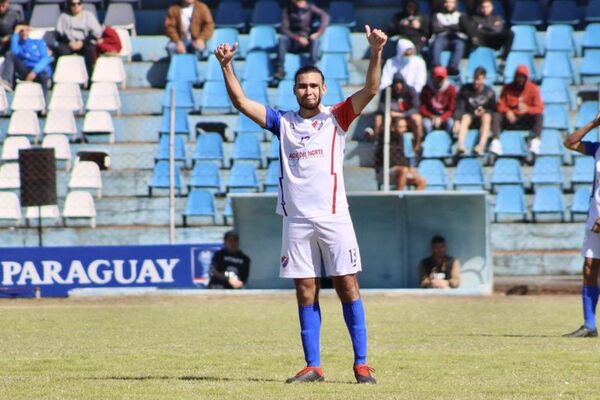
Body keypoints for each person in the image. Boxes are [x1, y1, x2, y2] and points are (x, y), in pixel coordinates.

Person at [214, 24, 388, 384]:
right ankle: (314, 366)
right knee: (305, 289)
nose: (308, 90)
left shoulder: (336, 117)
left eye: (313, 85)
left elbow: (371, 89)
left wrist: (375, 51)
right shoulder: (283, 122)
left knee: (347, 286)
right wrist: (226, 66)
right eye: (302, 86)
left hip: (334, 217)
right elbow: (241, 103)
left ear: (323, 89)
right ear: (295, 90)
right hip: (296, 220)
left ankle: (361, 364)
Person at [563, 112, 600, 337]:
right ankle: (589, 325)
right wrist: (593, 123)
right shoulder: (597, 149)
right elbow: (570, 142)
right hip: (595, 217)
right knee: (589, 267)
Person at [492, 64, 543, 153]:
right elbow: (499, 105)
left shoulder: (533, 89)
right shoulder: (507, 88)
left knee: (539, 116)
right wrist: (507, 111)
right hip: (510, 119)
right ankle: (495, 142)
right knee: (496, 115)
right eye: (518, 77)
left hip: (524, 119)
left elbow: (539, 108)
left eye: (523, 77)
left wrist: (527, 109)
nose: (520, 79)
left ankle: (535, 142)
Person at [274, 0, 329, 81]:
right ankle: (280, 69)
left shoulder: (311, 8)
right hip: (293, 40)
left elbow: (325, 16)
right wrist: (298, 38)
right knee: (282, 39)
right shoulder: (288, 10)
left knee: (316, 41)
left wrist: (318, 32)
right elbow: (284, 29)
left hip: (307, 40)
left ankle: (312, 68)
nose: (299, 4)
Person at [367, 72, 423, 151]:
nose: (398, 86)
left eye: (400, 83)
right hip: (391, 118)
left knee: (417, 118)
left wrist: (402, 114)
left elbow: (416, 108)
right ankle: (378, 145)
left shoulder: (411, 90)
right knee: (378, 119)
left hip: (407, 117)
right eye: (396, 83)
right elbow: (381, 107)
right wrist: (391, 112)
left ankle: (417, 146)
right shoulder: (387, 91)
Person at [0, 24, 52, 98]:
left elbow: (46, 58)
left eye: (26, 30)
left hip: (39, 70)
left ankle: (42, 103)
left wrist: (34, 71)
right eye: (21, 31)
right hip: (26, 69)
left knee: (43, 75)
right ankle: (7, 82)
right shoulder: (19, 45)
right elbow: (14, 53)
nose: (24, 32)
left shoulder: (38, 42)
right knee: (9, 54)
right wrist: (15, 34)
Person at [375, 116, 426, 191]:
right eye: (401, 127)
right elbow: (392, 160)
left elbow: (405, 157)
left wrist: (410, 169)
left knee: (421, 181)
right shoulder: (384, 138)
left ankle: (415, 202)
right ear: (393, 127)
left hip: (400, 170)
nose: (404, 129)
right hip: (386, 170)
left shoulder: (402, 139)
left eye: (405, 127)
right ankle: (399, 198)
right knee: (403, 170)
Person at [453, 66, 496, 155]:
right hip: (469, 115)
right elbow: (460, 107)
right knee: (465, 117)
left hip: (483, 118)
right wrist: (457, 120)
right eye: (475, 79)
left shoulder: (490, 92)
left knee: (487, 117)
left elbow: (493, 109)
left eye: (479, 80)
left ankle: (480, 146)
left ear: (484, 79)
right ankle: (460, 145)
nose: (476, 82)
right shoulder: (465, 90)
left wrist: (484, 111)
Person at [55, 0, 102, 76]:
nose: (76, 6)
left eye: (78, 3)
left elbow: (96, 33)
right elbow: (59, 34)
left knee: (90, 50)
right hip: (69, 43)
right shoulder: (63, 16)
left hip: (84, 42)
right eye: (73, 4)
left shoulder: (89, 16)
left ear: (82, 5)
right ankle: (65, 76)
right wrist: (69, 42)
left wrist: (82, 42)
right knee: (61, 50)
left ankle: (89, 77)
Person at [430, 0, 470, 76]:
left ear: (455, 4)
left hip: (455, 38)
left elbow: (464, 28)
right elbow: (436, 29)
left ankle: (453, 67)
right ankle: (436, 66)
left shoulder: (460, 15)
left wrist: (445, 27)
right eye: (446, 2)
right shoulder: (437, 15)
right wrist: (452, 27)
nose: (449, 4)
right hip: (442, 37)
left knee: (460, 44)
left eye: (451, 2)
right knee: (436, 44)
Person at [420, 65, 457, 134]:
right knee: (427, 125)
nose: (439, 80)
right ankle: (425, 143)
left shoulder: (451, 89)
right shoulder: (426, 89)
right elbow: (422, 107)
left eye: (441, 78)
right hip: (430, 116)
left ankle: (452, 142)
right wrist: (431, 117)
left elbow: (451, 109)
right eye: (437, 78)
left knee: (450, 123)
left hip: (444, 115)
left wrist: (441, 118)